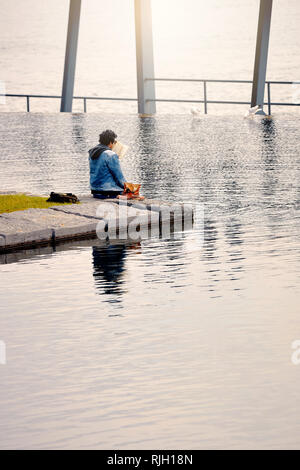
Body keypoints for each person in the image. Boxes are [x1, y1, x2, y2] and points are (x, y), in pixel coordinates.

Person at [88, 129, 126, 199]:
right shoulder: (110, 154)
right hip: (108, 190)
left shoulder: (92, 152)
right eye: (114, 142)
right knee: (135, 194)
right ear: (111, 143)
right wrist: (128, 188)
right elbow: (119, 176)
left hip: (95, 190)